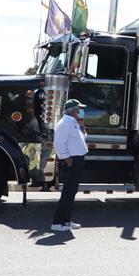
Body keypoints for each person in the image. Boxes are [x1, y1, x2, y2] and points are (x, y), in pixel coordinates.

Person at [51, 99, 89, 232]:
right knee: (67, 193)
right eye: (78, 109)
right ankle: (57, 223)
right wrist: (67, 159)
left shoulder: (73, 122)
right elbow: (58, 143)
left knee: (71, 192)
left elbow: (82, 139)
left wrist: (82, 125)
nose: (80, 112)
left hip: (77, 159)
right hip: (71, 160)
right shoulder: (65, 123)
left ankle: (66, 221)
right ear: (72, 110)